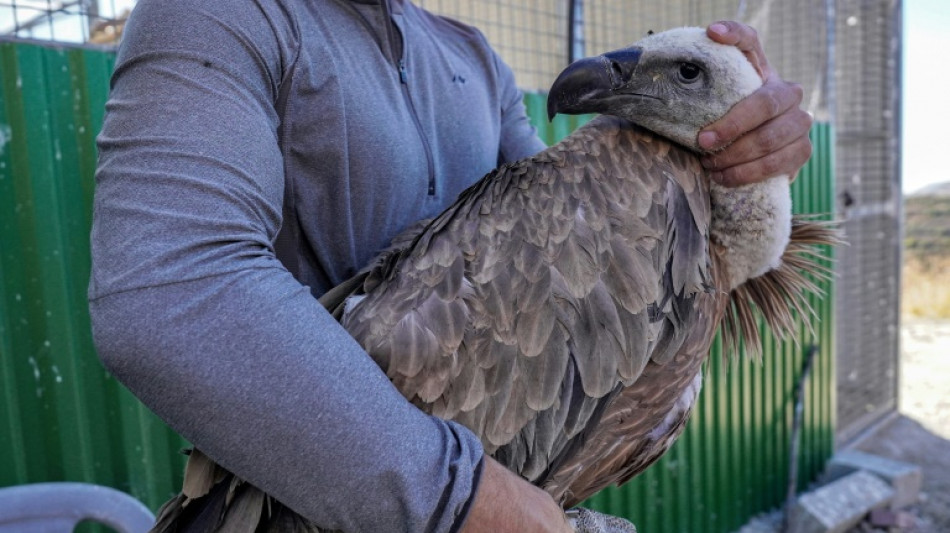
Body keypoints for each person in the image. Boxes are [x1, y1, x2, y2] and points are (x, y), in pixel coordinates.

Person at [88, 0, 813, 531]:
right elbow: (171, 291)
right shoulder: (220, 17)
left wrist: (734, 153)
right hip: (305, 504)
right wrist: (473, 503)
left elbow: (577, 266)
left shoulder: (471, 59)